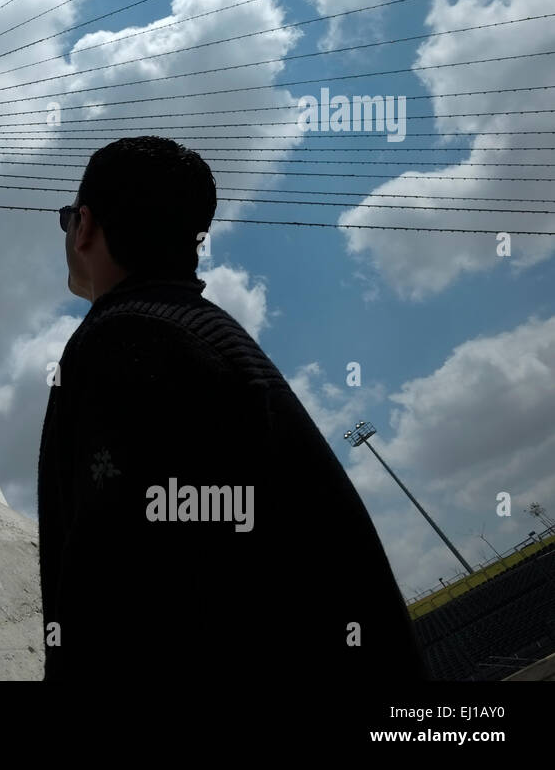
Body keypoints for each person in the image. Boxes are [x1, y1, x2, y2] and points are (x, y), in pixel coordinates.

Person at [37, 135, 426, 682]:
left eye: (66, 220)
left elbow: (118, 592)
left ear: (84, 225)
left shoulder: (124, 343)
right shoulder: (200, 331)